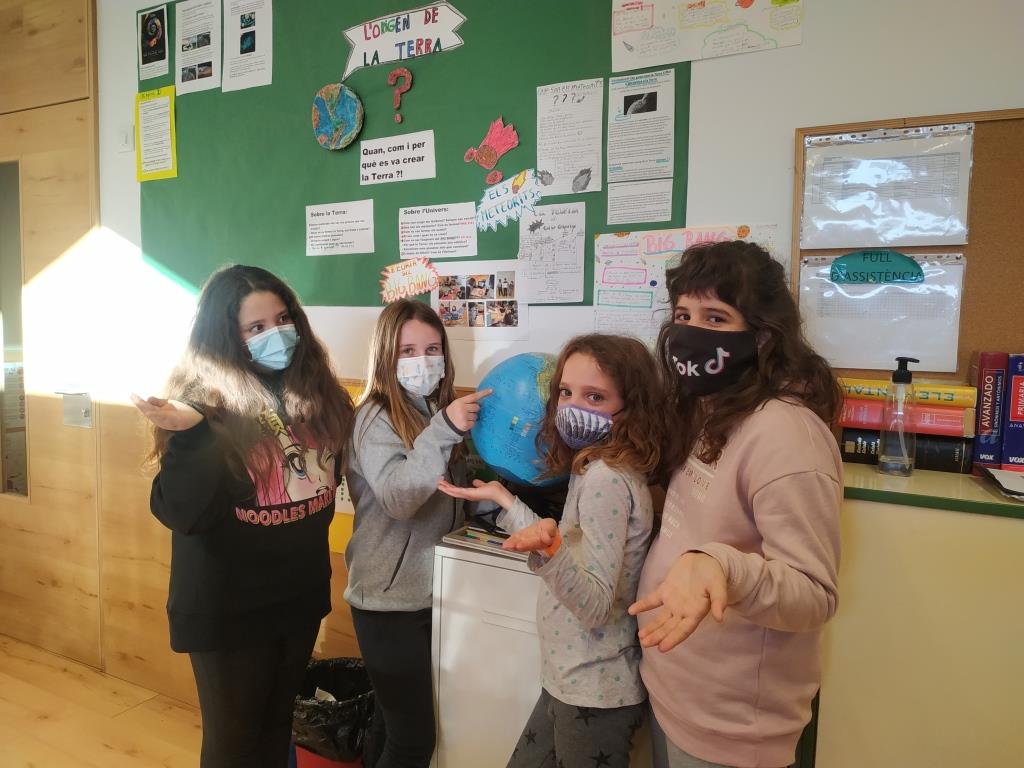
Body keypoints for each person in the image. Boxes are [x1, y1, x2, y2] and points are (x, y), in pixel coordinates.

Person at [629, 240, 843, 768]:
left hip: (731, 726)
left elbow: (813, 594)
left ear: (762, 336)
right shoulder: (711, 408)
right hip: (674, 690)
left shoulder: (786, 435)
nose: (689, 332)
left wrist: (720, 565)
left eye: (716, 318)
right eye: (683, 315)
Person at [132, 265, 354, 768]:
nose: (276, 333)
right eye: (256, 327)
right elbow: (181, 513)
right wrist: (194, 435)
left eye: (282, 319)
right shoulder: (203, 408)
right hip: (229, 609)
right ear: (226, 339)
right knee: (234, 745)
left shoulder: (319, 395)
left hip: (298, 598)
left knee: (276, 732)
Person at [440, 334, 665, 768]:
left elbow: (595, 605)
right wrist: (504, 500)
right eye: (565, 392)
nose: (572, 407)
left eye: (595, 397)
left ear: (632, 406)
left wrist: (551, 550)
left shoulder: (606, 479)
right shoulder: (592, 465)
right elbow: (566, 544)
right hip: (570, 678)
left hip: (594, 689)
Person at [344, 299, 491, 768]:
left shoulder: (433, 410)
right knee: (413, 741)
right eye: (407, 351)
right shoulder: (374, 417)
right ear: (385, 356)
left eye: (432, 349)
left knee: (389, 727)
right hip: (386, 602)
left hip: (432, 593)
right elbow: (398, 498)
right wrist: (444, 429)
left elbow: (450, 496)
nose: (422, 361)